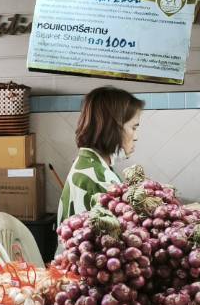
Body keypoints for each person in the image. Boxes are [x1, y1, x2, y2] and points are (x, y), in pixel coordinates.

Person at [57, 86, 144, 222]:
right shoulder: (101, 181)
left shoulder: (87, 163)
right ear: (113, 128)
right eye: (133, 127)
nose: (136, 137)